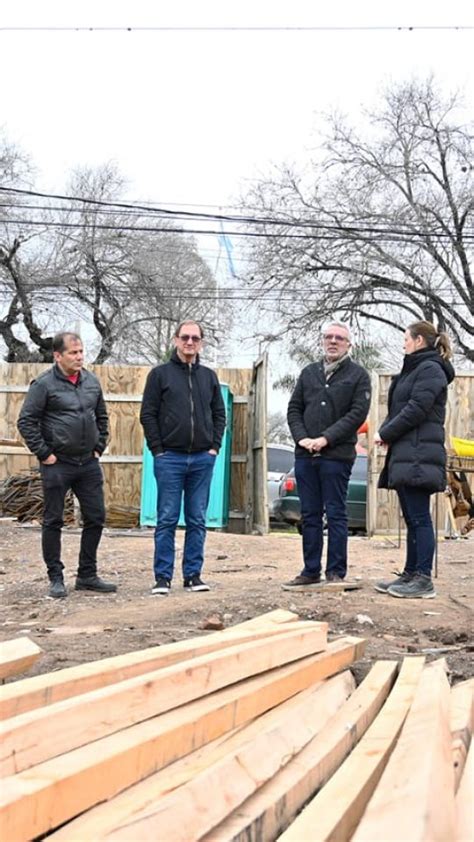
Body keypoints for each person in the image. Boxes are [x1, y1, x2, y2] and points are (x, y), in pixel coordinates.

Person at [17, 332, 117, 598]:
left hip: (88, 464)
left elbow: (102, 417)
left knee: (96, 517)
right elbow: (26, 421)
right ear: (58, 356)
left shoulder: (92, 382)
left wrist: (99, 447)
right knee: (53, 520)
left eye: (81, 351)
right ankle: (56, 577)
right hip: (57, 464)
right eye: (73, 353)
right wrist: (44, 454)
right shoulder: (44, 384)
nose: (79, 357)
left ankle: (87, 575)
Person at [140, 320, 226, 595]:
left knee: (197, 519)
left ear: (201, 343)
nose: (190, 342)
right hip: (170, 459)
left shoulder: (209, 377)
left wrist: (214, 447)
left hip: (202, 458)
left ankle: (193, 576)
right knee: (166, 518)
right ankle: (162, 578)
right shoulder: (159, 375)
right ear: (176, 340)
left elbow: (218, 415)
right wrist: (158, 450)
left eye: (195, 338)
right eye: (185, 337)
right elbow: (148, 414)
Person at [283, 321, 371, 589]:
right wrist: (303, 438)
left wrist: (325, 439)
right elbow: (294, 409)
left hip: (337, 455)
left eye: (339, 338)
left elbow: (356, 414)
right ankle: (310, 571)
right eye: (329, 337)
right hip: (305, 455)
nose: (333, 341)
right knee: (309, 514)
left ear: (348, 345)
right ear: (322, 341)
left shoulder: (358, 376)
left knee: (335, 512)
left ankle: (336, 572)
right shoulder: (308, 373)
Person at [374, 321, 455, 599]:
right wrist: (387, 434)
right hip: (408, 452)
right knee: (412, 517)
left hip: (420, 454)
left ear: (419, 340)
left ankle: (423, 579)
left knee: (420, 518)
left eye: (406, 339)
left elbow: (416, 409)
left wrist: (386, 432)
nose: (403, 343)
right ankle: (410, 573)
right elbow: (401, 407)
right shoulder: (416, 369)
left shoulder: (430, 370)